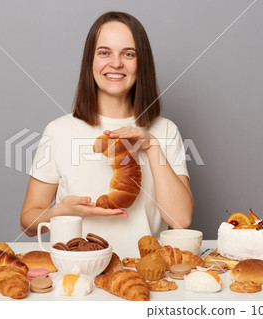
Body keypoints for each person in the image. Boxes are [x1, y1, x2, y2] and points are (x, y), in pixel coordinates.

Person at [20, 11, 193, 257]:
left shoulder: (164, 131)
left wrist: (152, 146)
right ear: (90, 61)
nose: (116, 63)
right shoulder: (58, 131)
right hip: (79, 273)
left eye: (128, 54)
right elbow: (28, 222)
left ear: (141, 64)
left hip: (145, 273)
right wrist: (62, 210)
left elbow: (181, 220)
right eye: (104, 52)